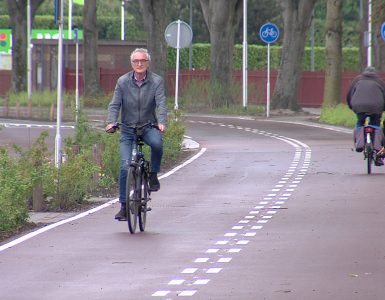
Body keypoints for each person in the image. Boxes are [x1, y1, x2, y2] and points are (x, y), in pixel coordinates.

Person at [105, 48, 167, 221]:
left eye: (143, 61)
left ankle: (153, 174)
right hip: (127, 129)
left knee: (157, 144)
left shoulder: (156, 81)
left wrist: (161, 122)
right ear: (132, 63)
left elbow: (161, 103)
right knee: (125, 166)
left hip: (147, 126)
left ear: (148, 63)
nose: (139, 64)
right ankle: (124, 207)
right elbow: (114, 104)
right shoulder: (123, 81)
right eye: (136, 61)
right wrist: (111, 122)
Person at [347, 66, 385, 165]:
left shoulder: (357, 80)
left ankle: (359, 145)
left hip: (359, 106)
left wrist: (352, 106)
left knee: (360, 122)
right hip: (376, 107)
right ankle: (377, 149)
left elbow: (350, 94)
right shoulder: (380, 81)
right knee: (375, 123)